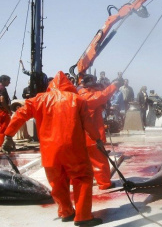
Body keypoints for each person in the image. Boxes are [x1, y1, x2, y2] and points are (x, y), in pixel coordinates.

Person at [1, 71, 103, 226]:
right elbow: (88, 124)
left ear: (51, 86)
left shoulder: (38, 100)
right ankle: (83, 217)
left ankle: (66, 212)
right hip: (73, 150)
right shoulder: (77, 99)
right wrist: (97, 139)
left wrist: (8, 135)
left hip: (50, 152)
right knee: (82, 178)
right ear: (69, 85)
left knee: (57, 182)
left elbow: (20, 114)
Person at [78, 74, 120, 190]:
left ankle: (79, 182)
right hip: (92, 136)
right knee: (99, 161)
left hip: (81, 136)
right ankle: (104, 183)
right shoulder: (87, 96)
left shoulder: (78, 95)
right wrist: (114, 85)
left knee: (82, 161)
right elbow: (102, 96)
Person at [0, 75, 12, 146]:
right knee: (4, 128)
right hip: (3, 111)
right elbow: (2, 99)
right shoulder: (2, 89)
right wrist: (7, 110)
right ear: (3, 81)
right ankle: (1, 145)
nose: (9, 82)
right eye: (8, 81)